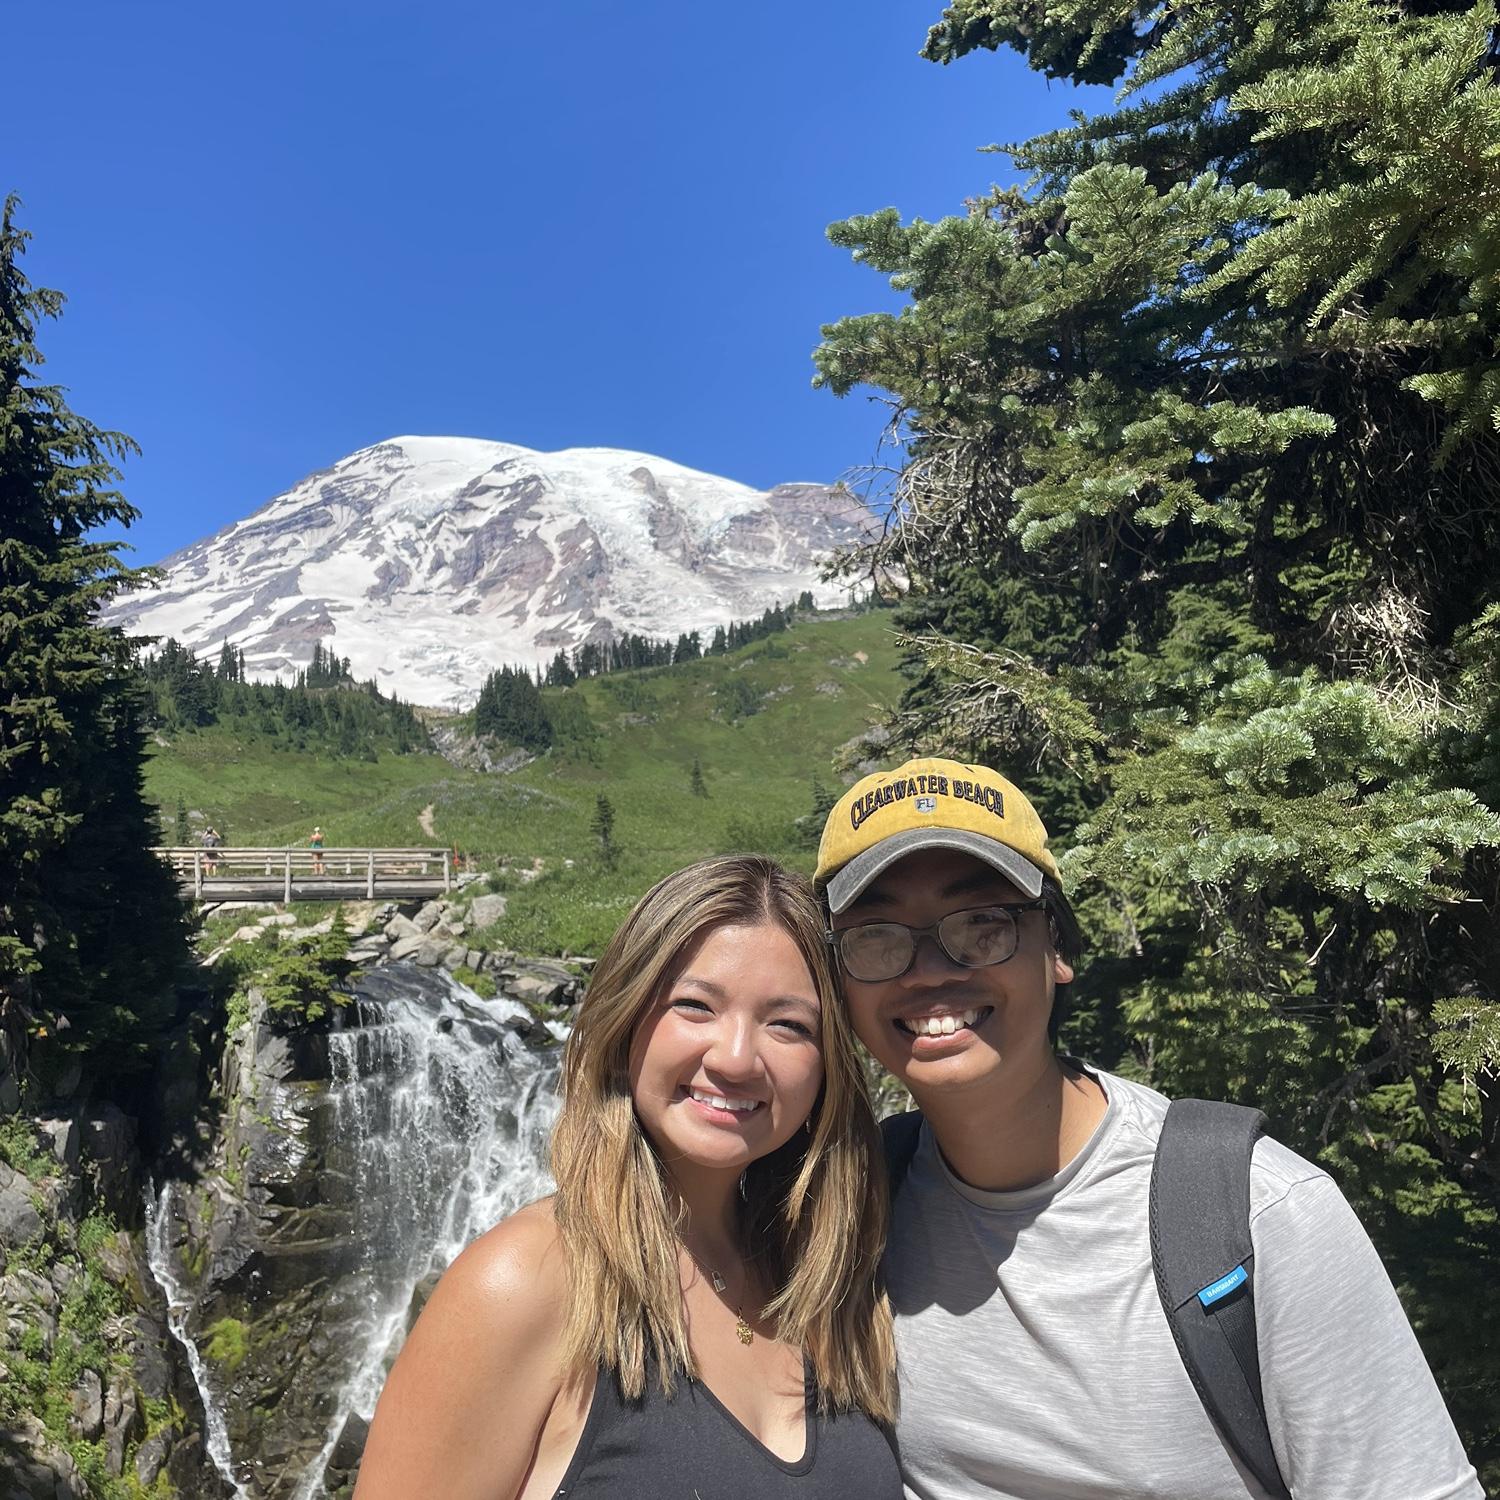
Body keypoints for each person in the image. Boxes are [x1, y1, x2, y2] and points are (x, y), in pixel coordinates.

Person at [815, 755, 1483, 1500]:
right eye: (876, 937)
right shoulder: (846, 1219)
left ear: (1057, 948)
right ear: (837, 983)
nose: (930, 970)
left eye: (982, 925)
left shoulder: (1258, 1214)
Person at [354, 855, 900, 1500]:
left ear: (828, 1065)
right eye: (695, 1006)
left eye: (788, 1024)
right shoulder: (525, 1280)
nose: (735, 1059)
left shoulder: (834, 1284)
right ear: (625, 1024)